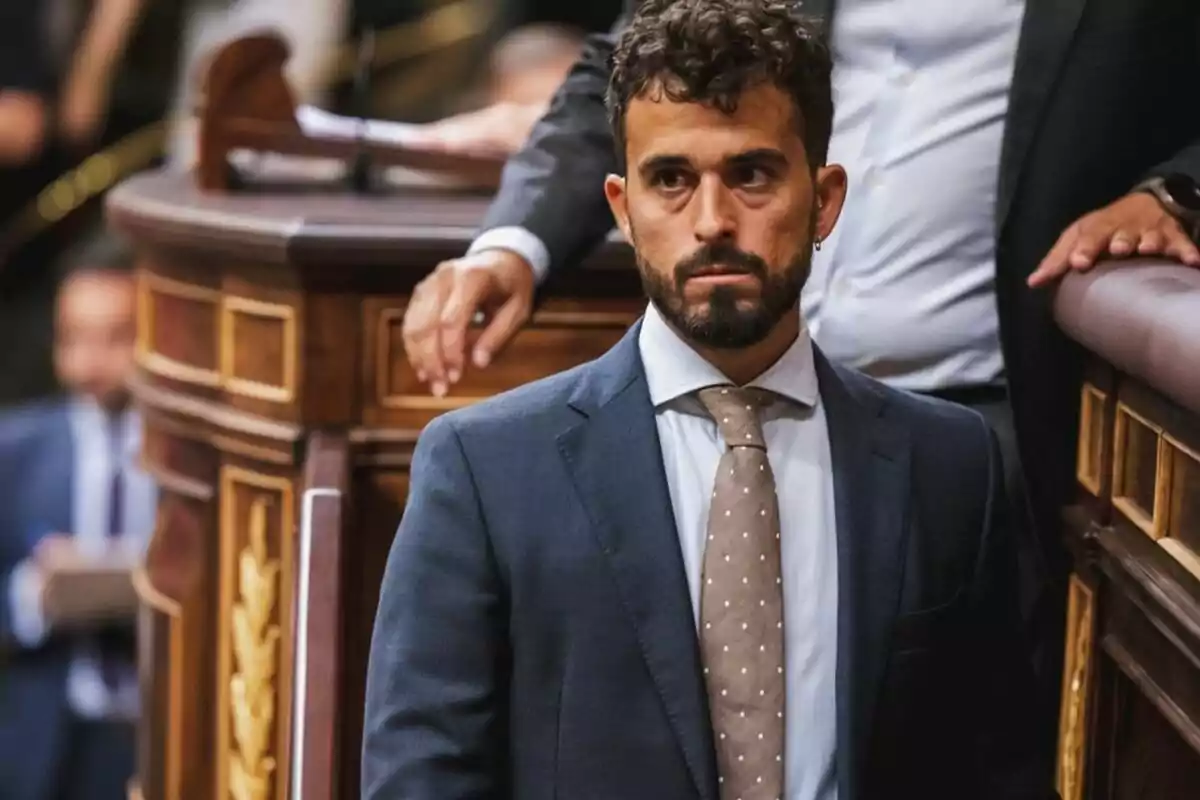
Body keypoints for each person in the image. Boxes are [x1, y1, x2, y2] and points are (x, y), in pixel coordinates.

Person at [399, 0, 1200, 746]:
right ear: (625, 204)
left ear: (823, 199)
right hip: (736, 376)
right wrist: (514, 244)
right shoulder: (477, 463)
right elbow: (635, 65)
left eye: (751, 176)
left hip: (993, 413)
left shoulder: (964, 472)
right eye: (672, 183)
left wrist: (1178, 192)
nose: (712, 221)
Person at [0, 238, 155, 800]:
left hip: (158, 725)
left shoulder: (193, 460)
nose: (91, 362)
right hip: (51, 742)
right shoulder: (16, 451)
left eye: (116, 338)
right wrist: (34, 594)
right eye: (75, 338)